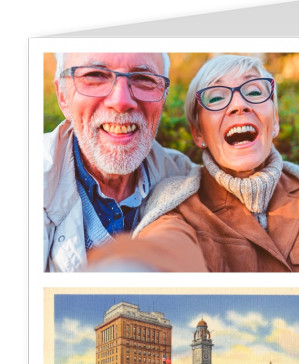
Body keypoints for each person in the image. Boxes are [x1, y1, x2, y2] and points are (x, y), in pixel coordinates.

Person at [88, 54, 299, 272]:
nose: (239, 105)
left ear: (274, 120)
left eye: (254, 92)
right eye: (216, 97)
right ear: (198, 133)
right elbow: (165, 247)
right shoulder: (176, 205)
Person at [44, 52, 199, 272]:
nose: (121, 102)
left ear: (163, 97)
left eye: (144, 79)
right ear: (62, 96)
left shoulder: (187, 180)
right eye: (95, 75)